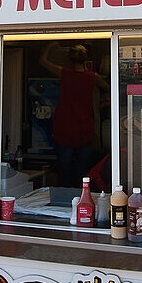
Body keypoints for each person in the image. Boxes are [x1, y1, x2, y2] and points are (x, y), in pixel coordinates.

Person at [40, 41, 108, 187]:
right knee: (82, 170)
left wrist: (49, 46)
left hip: (64, 127)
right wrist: (104, 101)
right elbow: (109, 89)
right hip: (85, 128)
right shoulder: (93, 77)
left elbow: (42, 61)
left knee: (64, 169)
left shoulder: (64, 73)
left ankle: (65, 198)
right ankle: (81, 200)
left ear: (70, 59)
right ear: (86, 59)